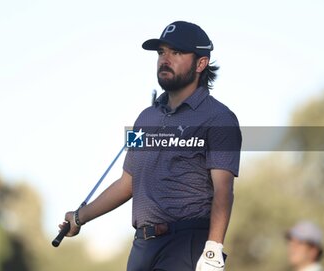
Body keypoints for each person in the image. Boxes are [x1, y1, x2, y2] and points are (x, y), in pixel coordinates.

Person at [59, 21, 242, 271]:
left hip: (185, 244)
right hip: (143, 247)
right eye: (161, 52)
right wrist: (80, 218)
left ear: (201, 63)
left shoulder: (219, 118)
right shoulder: (145, 118)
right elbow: (128, 183)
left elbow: (224, 189)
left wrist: (214, 248)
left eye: (176, 53)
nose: (165, 59)